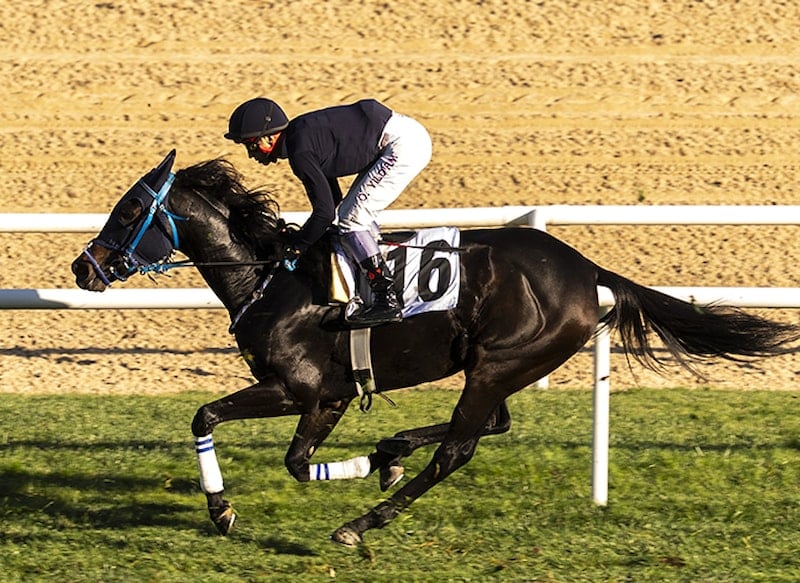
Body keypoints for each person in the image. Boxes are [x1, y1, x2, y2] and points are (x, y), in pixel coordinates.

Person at [224, 97, 432, 326]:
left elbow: (324, 213)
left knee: (352, 221)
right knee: (350, 214)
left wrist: (297, 246)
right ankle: (372, 269)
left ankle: (386, 298)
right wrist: (301, 238)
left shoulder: (300, 151)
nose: (252, 155)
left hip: (401, 145)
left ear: (270, 136)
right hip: (400, 136)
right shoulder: (301, 137)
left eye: (251, 145)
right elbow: (332, 202)